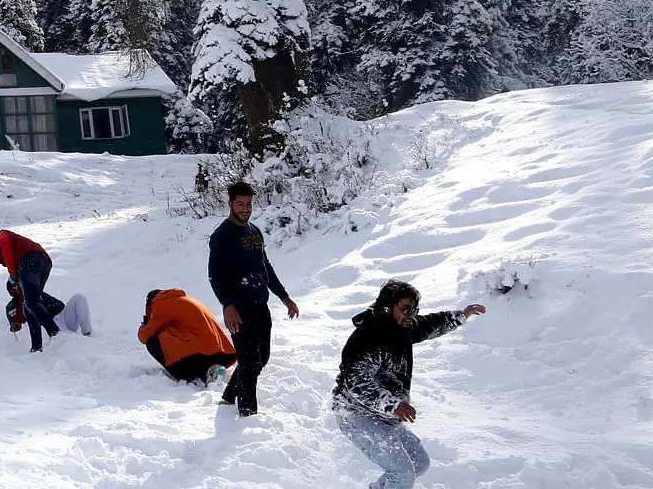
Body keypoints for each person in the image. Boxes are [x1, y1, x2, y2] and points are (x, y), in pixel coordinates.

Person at [332, 280, 486, 489]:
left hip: (384, 414)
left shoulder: (401, 327)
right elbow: (358, 383)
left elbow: (429, 324)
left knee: (418, 463)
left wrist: (461, 315)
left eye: (414, 310)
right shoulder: (367, 338)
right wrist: (393, 405)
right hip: (356, 414)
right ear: (387, 308)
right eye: (406, 309)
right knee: (402, 474)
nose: (411, 315)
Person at [207, 180, 299, 416]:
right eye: (240, 204)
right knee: (249, 362)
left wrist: (284, 297)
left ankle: (229, 396)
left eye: (248, 204)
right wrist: (227, 305)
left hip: (260, 306)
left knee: (261, 358)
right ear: (230, 204)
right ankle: (248, 414)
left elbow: (264, 266)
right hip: (239, 310)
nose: (245, 208)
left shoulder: (254, 232)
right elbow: (215, 275)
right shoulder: (222, 237)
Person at [138, 288, 236, 384]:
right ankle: (210, 371)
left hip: (200, 353)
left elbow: (146, 335)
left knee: (153, 342)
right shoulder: (184, 300)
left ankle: (190, 376)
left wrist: (142, 328)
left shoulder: (161, 303)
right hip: (222, 352)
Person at [0, 229, 57, 352]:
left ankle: (55, 332)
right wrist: (17, 319)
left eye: (4, 263)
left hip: (31, 259)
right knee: (30, 304)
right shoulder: (20, 265)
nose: (7, 264)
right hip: (45, 263)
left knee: (31, 303)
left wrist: (12, 273)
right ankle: (36, 348)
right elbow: (22, 299)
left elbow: (6, 248)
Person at [5, 281, 92, 336]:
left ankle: (87, 334)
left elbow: (60, 305)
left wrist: (45, 310)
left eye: (21, 285)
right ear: (11, 292)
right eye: (17, 287)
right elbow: (20, 325)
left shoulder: (37, 293)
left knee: (78, 298)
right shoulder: (11, 306)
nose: (21, 288)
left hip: (64, 317)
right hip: (48, 326)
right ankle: (69, 341)